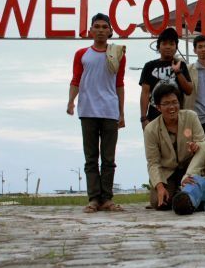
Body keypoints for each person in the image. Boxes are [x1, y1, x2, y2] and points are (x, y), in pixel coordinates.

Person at [67, 13, 126, 213]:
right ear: (91, 30)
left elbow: (119, 84)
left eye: (104, 27)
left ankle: (107, 198)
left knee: (109, 159)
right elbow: (76, 79)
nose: (100, 30)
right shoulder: (82, 54)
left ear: (110, 31)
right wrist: (71, 101)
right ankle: (93, 198)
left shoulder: (117, 53)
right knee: (91, 157)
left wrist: (122, 112)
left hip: (109, 110)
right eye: (97, 26)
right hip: (88, 110)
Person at [144, 84, 205, 211]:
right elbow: (153, 163)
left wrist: (197, 146)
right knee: (159, 203)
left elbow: (203, 144)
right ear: (158, 107)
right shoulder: (150, 129)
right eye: (166, 104)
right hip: (168, 172)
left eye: (174, 102)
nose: (171, 107)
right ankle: (179, 193)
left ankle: (186, 194)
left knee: (198, 193)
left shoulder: (191, 116)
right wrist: (160, 187)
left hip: (191, 168)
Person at [139, 27, 193, 128]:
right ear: (158, 47)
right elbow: (145, 93)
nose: (168, 47)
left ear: (176, 48)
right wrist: (143, 118)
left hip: (177, 118)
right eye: (164, 44)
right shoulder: (149, 66)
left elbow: (189, 90)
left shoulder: (181, 65)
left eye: (171, 44)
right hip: (154, 117)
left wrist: (178, 72)